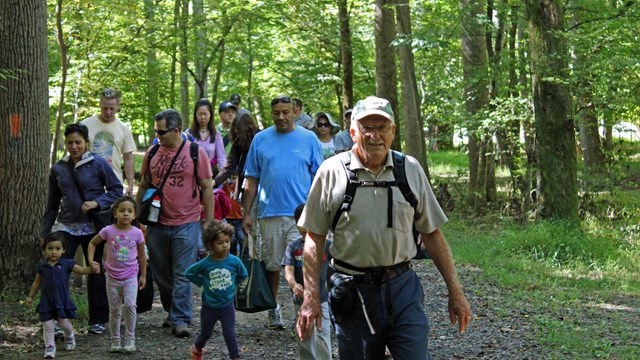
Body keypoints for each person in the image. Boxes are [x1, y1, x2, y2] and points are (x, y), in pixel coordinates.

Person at [296, 96, 472, 359]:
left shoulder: (409, 169)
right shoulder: (332, 171)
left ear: (393, 131)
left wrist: (455, 290)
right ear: (353, 131)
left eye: (381, 127)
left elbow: (432, 233)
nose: (374, 135)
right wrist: (311, 295)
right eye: (367, 128)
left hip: (402, 287)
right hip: (353, 291)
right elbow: (314, 237)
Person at [242, 95, 324, 329]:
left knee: (302, 263)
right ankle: (273, 308)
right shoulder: (261, 139)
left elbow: (319, 178)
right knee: (272, 265)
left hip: (301, 215)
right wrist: (247, 213)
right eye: (276, 112)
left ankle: (304, 309)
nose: (281, 117)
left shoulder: (309, 139)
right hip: (269, 212)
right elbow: (251, 179)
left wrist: (321, 211)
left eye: (286, 112)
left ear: (295, 112)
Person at [136, 109, 215, 338]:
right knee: (162, 274)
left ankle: (181, 319)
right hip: (156, 223)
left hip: (187, 222)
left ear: (176, 130)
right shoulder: (152, 153)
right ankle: (171, 311)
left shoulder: (194, 152)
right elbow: (143, 185)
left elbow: (207, 186)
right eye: (155, 131)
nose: (158, 136)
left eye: (161, 132)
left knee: (182, 273)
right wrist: (136, 215)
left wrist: (208, 221)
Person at [40, 122, 123, 336]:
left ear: (86, 142)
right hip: (66, 226)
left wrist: (97, 202)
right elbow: (51, 204)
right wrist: (45, 233)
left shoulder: (98, 164)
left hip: (93, 226)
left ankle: (98, 320)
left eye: (78, 142)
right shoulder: (58, 168)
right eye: (70, 142)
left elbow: (116, 190)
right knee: (58, 273)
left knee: (96, 271)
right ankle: (60, 319)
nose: (74, 146)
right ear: (65, 143)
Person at [87, 196, 147, 354]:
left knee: (130, 305)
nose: (125, 214)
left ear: (134, 215)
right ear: (115, 213)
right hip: (112, 277)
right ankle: (115, 340)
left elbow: (142, 256)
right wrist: (91, 261)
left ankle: (130, 339)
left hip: (130, 276)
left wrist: (144, 276)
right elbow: (93, 243)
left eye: (129, 211)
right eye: (122, 211)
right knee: (114, 310)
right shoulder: (108, 230)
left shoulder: (137, 233)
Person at [26, 232, 98, 359]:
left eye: (57, 248)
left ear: (63, 250)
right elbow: (37, 282)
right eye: (50, 248)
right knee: (48, 325)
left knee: (64, 324)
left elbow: (81, 270)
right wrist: (30, 297)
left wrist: (92, 269)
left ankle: (69, 335)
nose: (54, 252)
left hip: (62, 301)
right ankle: (49, 347)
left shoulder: (67, 264)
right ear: (44, 250)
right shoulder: (42, 267)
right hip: (47, 302)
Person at [186, 220, 248, 360]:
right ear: (210, 245)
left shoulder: (234, 261)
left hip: (227, 305)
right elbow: (189, 273)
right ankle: (197, 348)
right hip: (209, 306)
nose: (225, 245)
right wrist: (201, 282)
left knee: (229, 334)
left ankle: (235, 357)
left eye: (227, 241)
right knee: (206, 333)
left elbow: (243, 274)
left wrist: (233, 285)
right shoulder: (206, 263)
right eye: (220, 243)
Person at [282, 204, 332, 360]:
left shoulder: (327, 246)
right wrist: (292, 284)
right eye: (301, 223)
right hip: (300, 300)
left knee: (322, 333)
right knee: (304, 333)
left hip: (323, 298)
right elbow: (288, 270)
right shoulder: (293, 247)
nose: (305, 227)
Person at [81, 88, 136, 196]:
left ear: (117, 107)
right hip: (88, 182)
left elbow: (128, 159)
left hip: (113, 184)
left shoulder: (123, 128)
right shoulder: (85, 125)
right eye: (105, 108)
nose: (108, 112)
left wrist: (130, 184)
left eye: (112, 108)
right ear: (100, 105)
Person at [184, 98, 228, 175]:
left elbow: (222, 158)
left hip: (210, 174)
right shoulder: (188, 133)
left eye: (205, 114)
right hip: (192, 174)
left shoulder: (216, 134)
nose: (203, 117)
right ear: (195, 115)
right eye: (200, 114)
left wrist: (223, 174)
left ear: (210, 115)